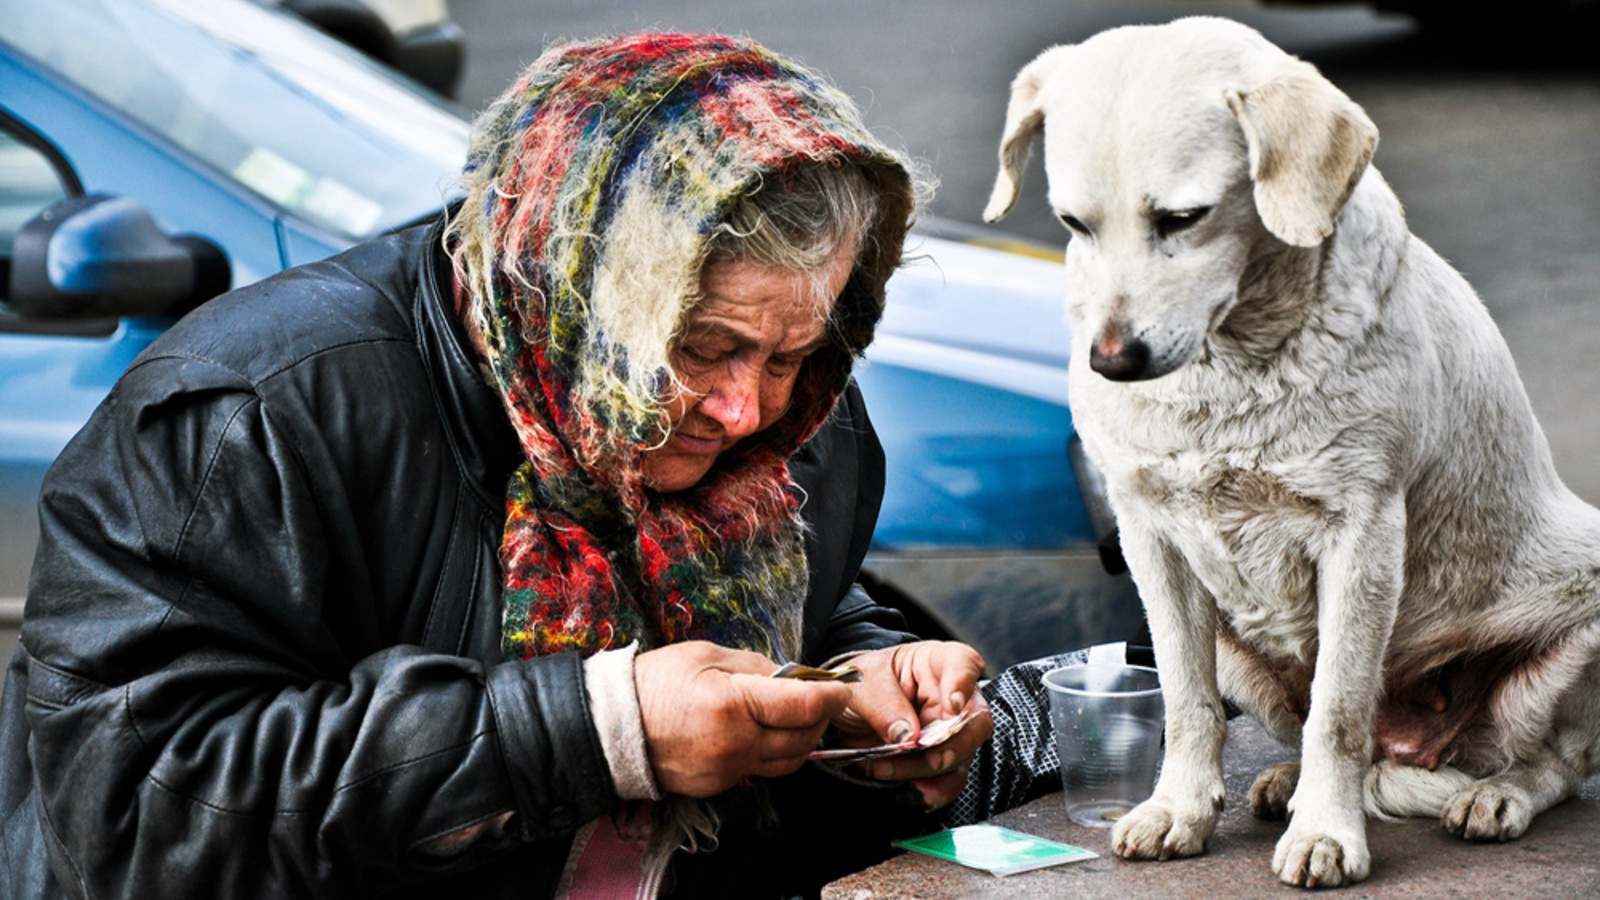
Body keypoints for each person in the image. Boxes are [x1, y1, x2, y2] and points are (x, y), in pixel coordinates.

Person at [0, 33, 993, 900]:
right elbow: (142, 819)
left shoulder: (791, 412)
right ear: (560, 295)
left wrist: (859, 680)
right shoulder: (252, 413)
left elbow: (787, 601)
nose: (748, 408)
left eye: (788, 355)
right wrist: (604, 730)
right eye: (700, 346)